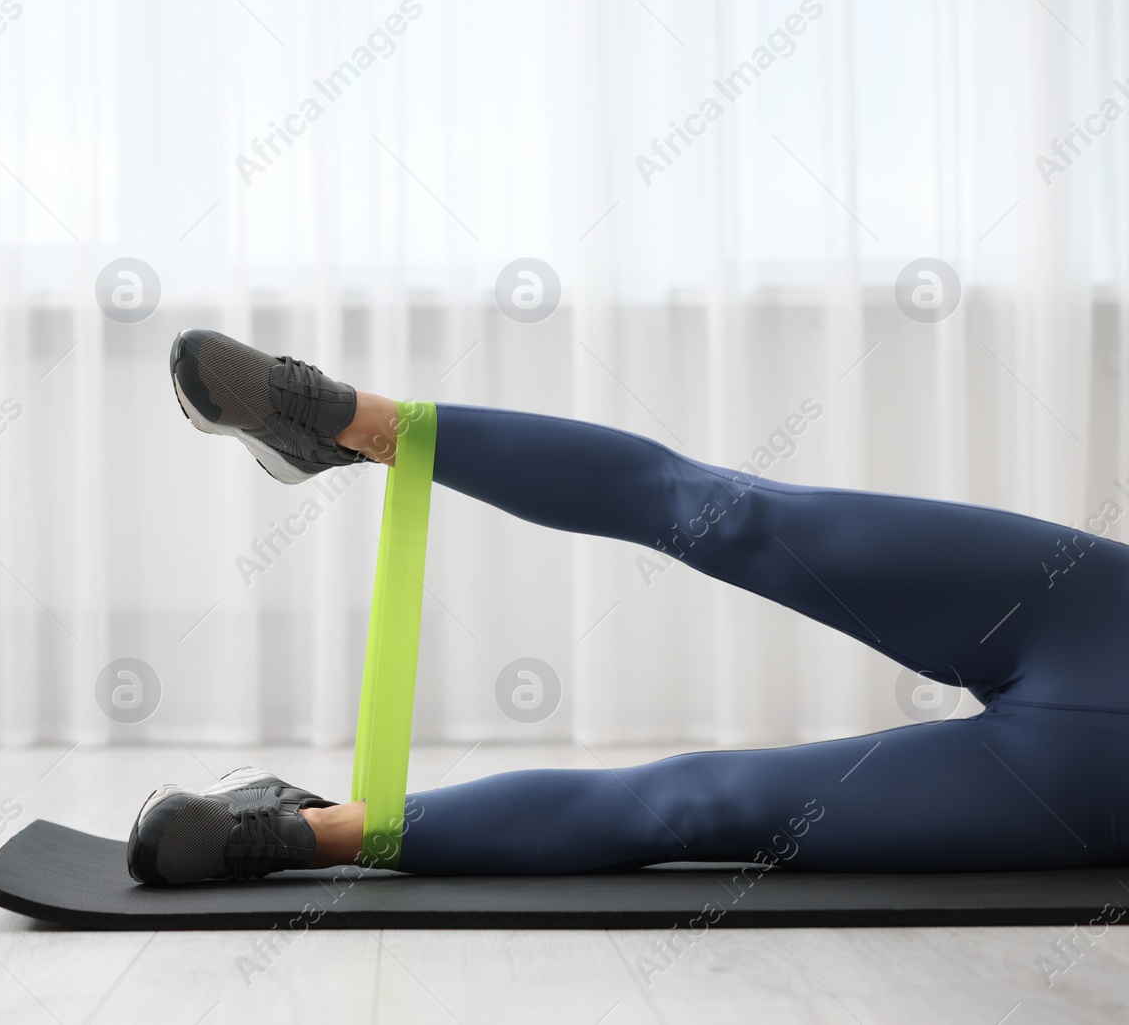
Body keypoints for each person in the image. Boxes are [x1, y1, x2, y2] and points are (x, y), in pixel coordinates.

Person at [127, 329, 1129, 886]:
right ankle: (341, 423)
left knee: (691, 805)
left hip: (1077, 788)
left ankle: (306, 832)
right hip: (1096, 614)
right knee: (723, 515)